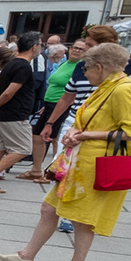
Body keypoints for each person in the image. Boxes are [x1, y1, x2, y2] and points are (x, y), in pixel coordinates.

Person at [0, 41, 131, 261]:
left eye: (86, 69)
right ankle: (25, 258)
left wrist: (85, 135)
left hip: (96, 165)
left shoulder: (124, 89)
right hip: (80, 162)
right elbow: (91, 119)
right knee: (49, 209)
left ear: (99, 67)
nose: (84, 74)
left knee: (82, 219)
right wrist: (75, 131)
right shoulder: (108, 86)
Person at [29, 37, 89, 181]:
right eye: (74, 47)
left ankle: (52, 171)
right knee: (37, 135)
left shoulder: (80, 68)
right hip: (50, 103)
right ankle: (36, 169)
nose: (76, 51)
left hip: (61, 105)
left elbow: (73, 92)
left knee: (51, 137)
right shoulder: (65, 63)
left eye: (81, 49)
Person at [0, 42, 37, 191]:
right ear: (34, 47)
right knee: (23, 148)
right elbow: (7, 93)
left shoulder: (9, 66)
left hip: (3, 114)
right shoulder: (23, 66)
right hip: (15, 114)